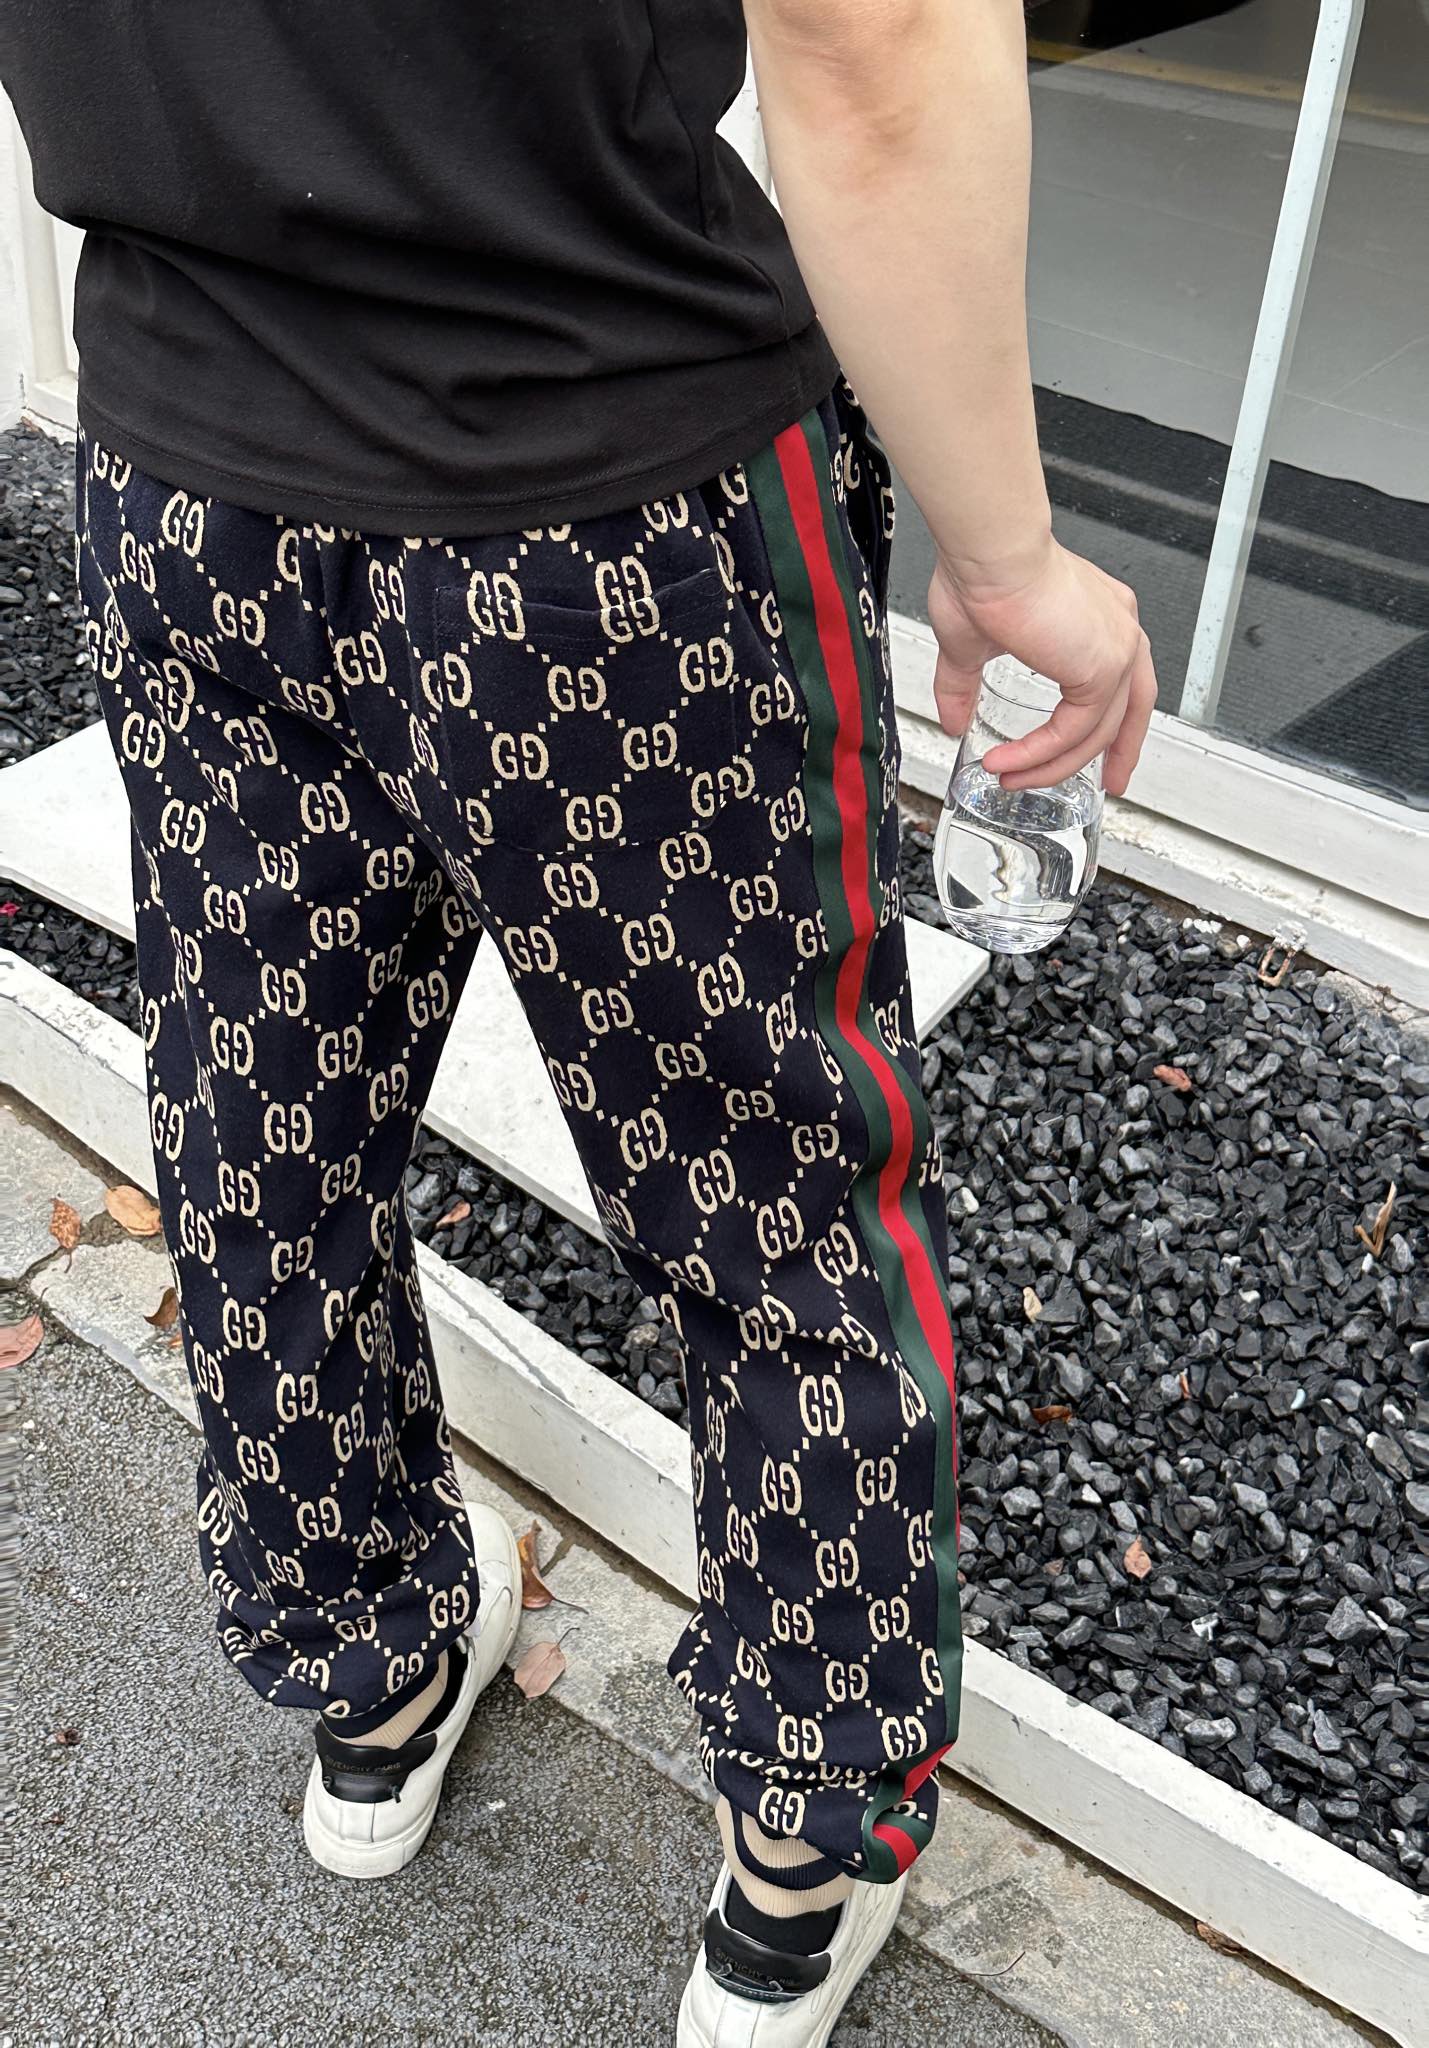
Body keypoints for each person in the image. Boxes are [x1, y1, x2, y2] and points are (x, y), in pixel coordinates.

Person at [1, 1, 1155, 2037]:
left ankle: (368, 1680)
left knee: (266, 1124)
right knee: (774, 1203)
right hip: (604, 500)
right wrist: (1008, 551)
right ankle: (797, 1855)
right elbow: (874, 43)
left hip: (197, 471)